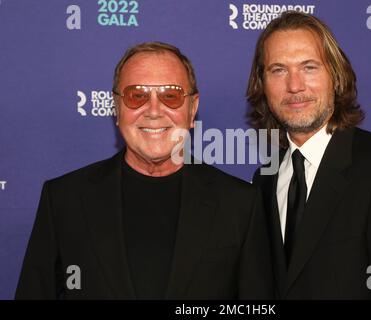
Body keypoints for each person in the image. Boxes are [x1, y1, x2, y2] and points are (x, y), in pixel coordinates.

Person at [16, 42, 273, 299]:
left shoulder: (240, 204)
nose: (153, 110)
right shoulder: (64, 200)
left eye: (170, 95)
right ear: (117, 108)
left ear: (192, 109)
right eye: (136, 95)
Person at [247, 12, 371, 299]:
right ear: (262, 84)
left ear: (335, 76)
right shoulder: (264, 179)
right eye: (278, 70)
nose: (294, 86)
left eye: (309, 67)